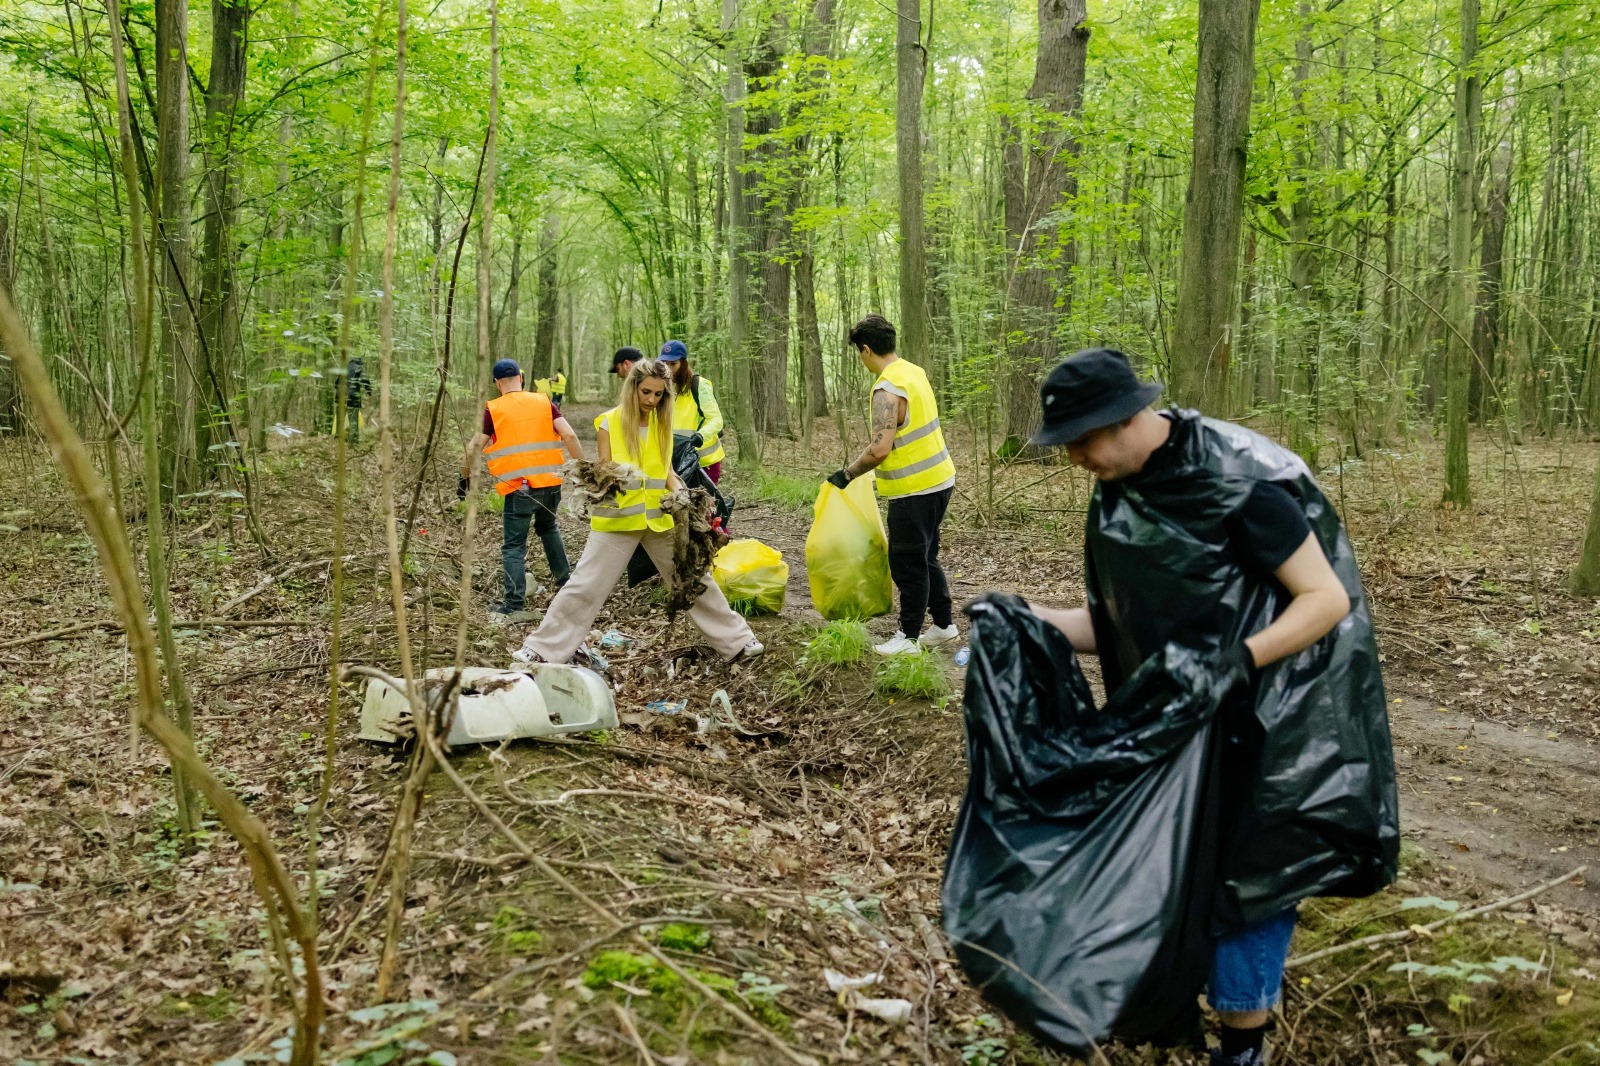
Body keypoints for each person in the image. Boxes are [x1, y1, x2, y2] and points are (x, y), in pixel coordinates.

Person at [1024, 348, 1395, 1066]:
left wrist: (1236, 661)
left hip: (1275, 720)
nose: (1074, 457)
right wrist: (1027, 617)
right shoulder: (1119, 492)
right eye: (1065, 443)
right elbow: (1116, 628)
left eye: (1082, 439)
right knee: (1182, 870)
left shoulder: (1241, 482)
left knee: (1251, 878)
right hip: (1185, 720)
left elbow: (1326, 599)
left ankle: (1243, 1048)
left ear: (1129, 418)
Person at [515, 358, 764, 665]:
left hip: (659, 518)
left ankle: (738, 642)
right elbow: (605, 470)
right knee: (585, 585)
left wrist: (680, 491)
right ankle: (541, 649)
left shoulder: (662, 422)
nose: (651, 400)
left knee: (693, 578)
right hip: (618, 520)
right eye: (646, 392)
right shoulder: (608, 422)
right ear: (632, 387)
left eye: (659, 394)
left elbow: (667, 470)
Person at [826, 314, 958, 656]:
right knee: (927, 557)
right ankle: (944, 626)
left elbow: (879, 449)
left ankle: (908, 637)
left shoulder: (886, 388)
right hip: (940, 479)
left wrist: (848, 474)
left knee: (908, 563)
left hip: (913, 490)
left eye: (859, 352)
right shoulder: (913, 371)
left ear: (866, 349)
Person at [459, 358, 585, 624]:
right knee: (549, 528)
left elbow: (473, 448)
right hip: (550, 483)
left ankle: (514, 603)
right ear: (520, 378)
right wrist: (582, 470)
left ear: (497, 383)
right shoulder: (543, 401)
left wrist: (464, 479)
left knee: (514, 545)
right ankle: (567, 584)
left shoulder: (494, 409)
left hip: (520, 488)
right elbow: (570, 436)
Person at [658, 340, 725, 483]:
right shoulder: (662, 389)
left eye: (673, 363)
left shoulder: (699, 386)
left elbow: (716, 420)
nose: (668, 368)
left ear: (683, 363)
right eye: (664, 363)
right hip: (675, 463)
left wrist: (700, 435)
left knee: (703, 504)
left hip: (704, 463)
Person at [340, 357, 373, 444]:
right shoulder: (359, 367)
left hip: (345, 395)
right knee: (354, 419)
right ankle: (353, 442)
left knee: (349, 417)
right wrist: (369, 390)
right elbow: (365, 379)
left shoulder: (346, 367)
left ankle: (346, 437)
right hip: (354, 395)